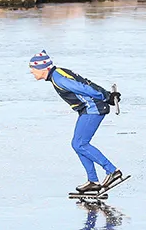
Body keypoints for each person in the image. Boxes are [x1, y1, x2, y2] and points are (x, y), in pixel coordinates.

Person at [29, 50, 122, 195]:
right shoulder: (58, 74)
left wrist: (106, 96)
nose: (32, 72)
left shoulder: (59, 78)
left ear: (43, 68)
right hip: (88, 109)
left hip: (93, 109)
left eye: (33, 69)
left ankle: (112, 171)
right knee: (78, 144)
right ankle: (93, 181)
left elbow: (84, 88)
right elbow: (86, 82)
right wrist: (107, 95)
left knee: (80, 144)